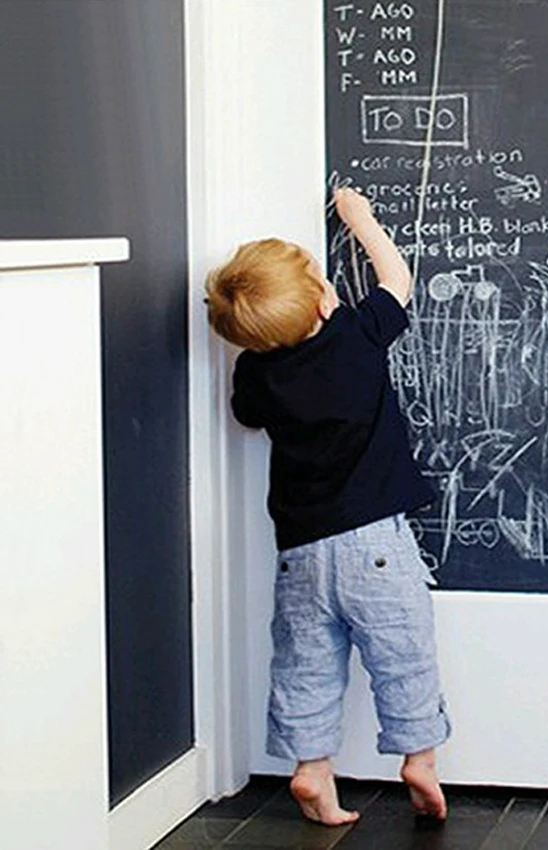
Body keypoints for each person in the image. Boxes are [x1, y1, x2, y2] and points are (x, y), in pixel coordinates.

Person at [204, 188, 451, 826]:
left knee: (306, 663)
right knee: (404, 651)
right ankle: (419, 759)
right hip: (376, 546)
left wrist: (263, 351)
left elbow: (247, 416)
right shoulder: (356, 335)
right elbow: (398, 278)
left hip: (301, 553)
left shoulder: (257, 374)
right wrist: (360, 218)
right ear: (323, 298)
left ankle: (312, 772)